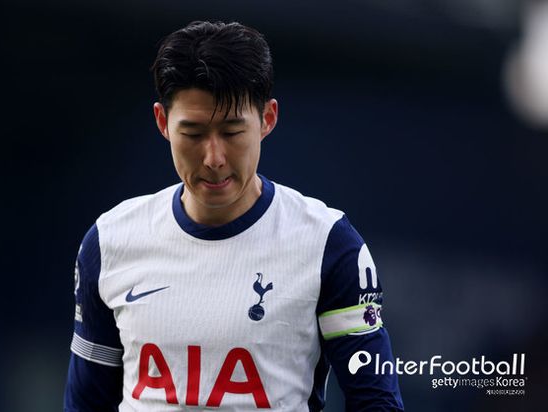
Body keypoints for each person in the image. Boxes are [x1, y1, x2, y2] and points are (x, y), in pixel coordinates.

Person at [64, 20, 404, 411]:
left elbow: (376, 401)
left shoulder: (328, 243)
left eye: (232, 132)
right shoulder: (110, 241)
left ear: (267, 119)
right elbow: (86, 403)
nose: (214, 158)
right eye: (193, 134)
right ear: (162, 122)